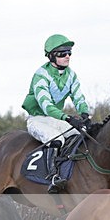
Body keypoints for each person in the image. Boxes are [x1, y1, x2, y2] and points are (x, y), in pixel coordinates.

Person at [22, 34, 92, 193]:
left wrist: (84, 114)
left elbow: (78, 97)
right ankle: (52, 177)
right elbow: (46, 106)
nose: (67, 56)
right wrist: (67, 118)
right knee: (58, 139)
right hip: (38, 119)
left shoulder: (71, 75)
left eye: (69, 53)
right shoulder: (41, 75)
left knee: (82, 134)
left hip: (55, 119)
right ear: (52, 56)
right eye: (62, 53)